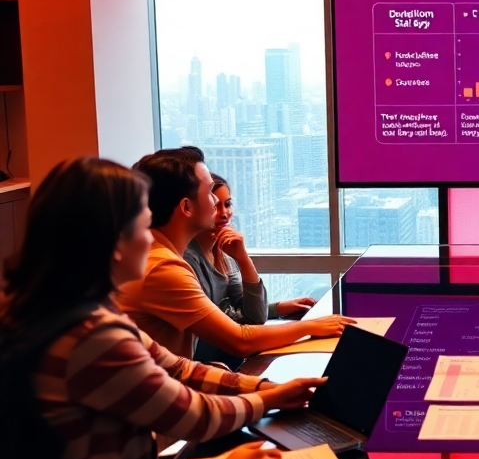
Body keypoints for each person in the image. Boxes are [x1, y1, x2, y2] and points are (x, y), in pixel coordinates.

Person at [0, 157, 328, 459]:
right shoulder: (92, 336)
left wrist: (263, 388)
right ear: (113, 243)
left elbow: (178, 368)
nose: (149, 238)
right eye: (142, 225)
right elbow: (193, 416)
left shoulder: (63, 309)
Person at [118, 147, 350, 360]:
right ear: (186, 207)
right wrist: (311, 326)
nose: (218, 206)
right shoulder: (163, 268)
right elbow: (239, 341)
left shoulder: (157, 255)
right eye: (210, 193)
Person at [185, 174, 316, 366]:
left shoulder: (225, 252)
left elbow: (254, 316)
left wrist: (243, 258)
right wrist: (308, 327)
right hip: (205, 367)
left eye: (227, 204)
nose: (224, 213)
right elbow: (227, 324)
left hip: (230, 362)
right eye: (215, 206)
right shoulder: (188, 259)